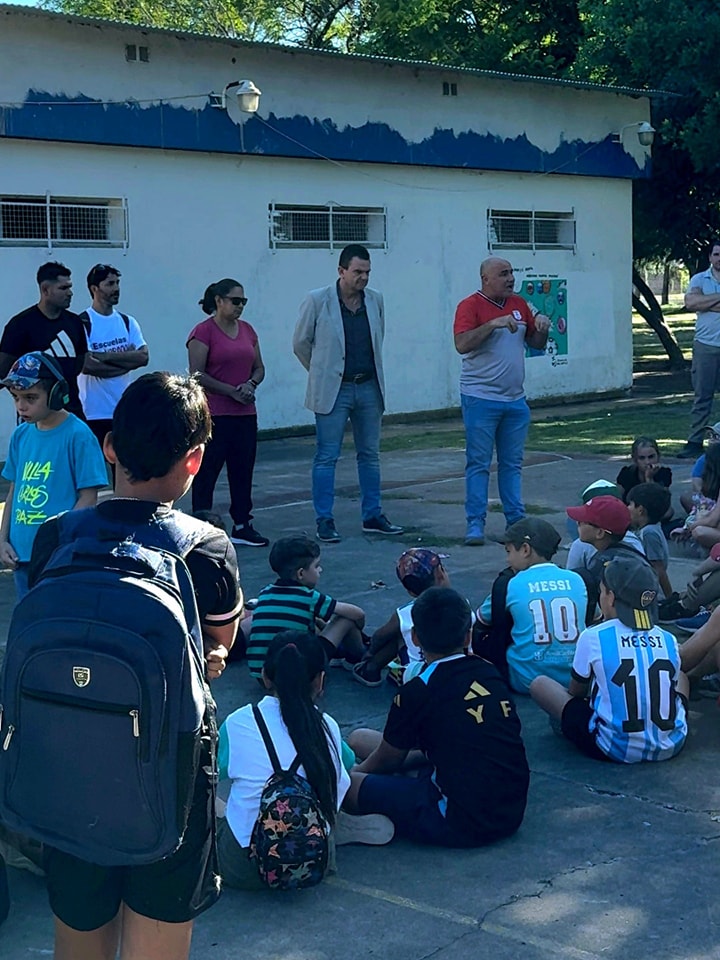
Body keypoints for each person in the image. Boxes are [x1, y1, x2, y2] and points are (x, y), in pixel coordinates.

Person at [26, 371, 243, 960]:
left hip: (66, 767)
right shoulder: (206, 547)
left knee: (78, 939)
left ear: (109, 446)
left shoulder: (55, 537)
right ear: (194, 460)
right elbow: (218, 646)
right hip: (166, 776)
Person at [343, 587, 530, 847]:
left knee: (348, 784)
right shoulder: (490, 672)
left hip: (457, 819)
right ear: (468, 636)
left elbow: (388, 759)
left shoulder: (417, 690)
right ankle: (396, 788)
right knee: (359, 738)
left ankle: (354, 813)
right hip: (511, 812)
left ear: (415, 637)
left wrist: (353, 773)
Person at [217, 630, 393, 890]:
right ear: (320, 681)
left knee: (214, 804)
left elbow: (214, 773)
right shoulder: (327, 726)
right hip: (315, 861)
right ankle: (331, 830)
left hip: (244, 867)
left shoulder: (238, 722)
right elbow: (345, 772)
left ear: (265, 676)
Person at [530, 555, 688, 763]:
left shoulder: (593, 636)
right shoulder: (668, 639)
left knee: (540, 685)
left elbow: (577, 692)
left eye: (602, 591)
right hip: (671, 745)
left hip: (613, 747)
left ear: (611, 597)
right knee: (681, 676)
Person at [293, 243, 403, 543]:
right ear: (341, 271)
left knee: (370, 455)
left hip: (368, 386)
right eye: (357, 272)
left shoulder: (375, 300)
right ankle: (324, 520)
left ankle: (373, 515)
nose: (363, 278)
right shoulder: (318, 300)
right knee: (327, 456)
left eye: (367, 272)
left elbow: (378, 337)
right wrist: (323, 373)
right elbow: (301, 343)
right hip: (335, 389)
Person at [453, 257, 550, 545]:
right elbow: (461, 344)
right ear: (485, 279)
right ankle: (475, 524)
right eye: (503, 274)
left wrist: (542, 329)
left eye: (511, 273)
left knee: (512, 464)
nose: (510, 279)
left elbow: (535, 343)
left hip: (515, 400)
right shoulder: (470, 305)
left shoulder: (519, 304)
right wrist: (492, 324)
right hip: (480, 398)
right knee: (479, 463)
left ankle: (515, 521)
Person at [0, 353, 107, 599]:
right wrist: (2, 540)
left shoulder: (78, 435)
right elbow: (14, 491)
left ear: (57, 393)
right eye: (15, 398)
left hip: (59, 557)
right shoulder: (20, 436)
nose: (21, 406)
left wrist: (60, 541)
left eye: (30, 398)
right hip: (21, 556)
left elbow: (88, 498)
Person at [188, 278, 268, 547]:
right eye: (235, 301)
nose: (240, 306)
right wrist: (230, 391)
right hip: (214, 415)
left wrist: (250, 384)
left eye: (243, 301)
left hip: (245, 414)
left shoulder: (247, 330)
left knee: (242, 470)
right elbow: (197, 374)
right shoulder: (203, 332)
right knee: (207, 471)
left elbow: (259, 367)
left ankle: (242, 524)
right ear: (219, 301)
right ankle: (200, 525)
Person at [475, 518, 589, 693]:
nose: (507, 559)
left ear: (525, 549)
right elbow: (594, 617)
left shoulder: (511, 584)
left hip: (524, 680)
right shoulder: (577, 580)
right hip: (575, 679)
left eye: (509, 551)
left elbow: (482, 619)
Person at [246, 536, 367, 679]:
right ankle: (358, 659)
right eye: (316, 566)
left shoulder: (265, 593)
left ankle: (341, 652)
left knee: (309, 620)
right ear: (301, 573)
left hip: (262, 675)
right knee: (346, 620)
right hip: (301, 676)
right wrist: (358, 628)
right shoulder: (309, 597)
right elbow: (358, 614)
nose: (320, 570)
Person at [352, 547, 450, 687]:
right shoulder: (462, 606)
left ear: (410, 592)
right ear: (441, 574)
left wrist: (370, 652)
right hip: (456, 673)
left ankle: (371, 669)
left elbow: (380, 636)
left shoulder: (407, 612)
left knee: (401, 635)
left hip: (417, 678)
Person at [0, 262, 87, 417]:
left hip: (72, 411)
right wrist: (27, 398)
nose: (70, 293)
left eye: (70, 287)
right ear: (45, 290)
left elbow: (78, 364)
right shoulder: (20, 325)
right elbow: (4, 371)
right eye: (63, 288)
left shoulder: (75, 323)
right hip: (36, 418)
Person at [77, 263, 149, 451]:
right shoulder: (82, 323)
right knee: (95, 465)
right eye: (110, 284)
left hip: (123, 410)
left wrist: (104, 355)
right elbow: (89, 366)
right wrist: (126, 363)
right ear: (94, 288)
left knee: (123, 464)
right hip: (93, 413)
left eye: (117, 283)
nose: (116, 288)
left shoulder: (127, 322)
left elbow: (143, 357)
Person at [565, 495, 652, 616]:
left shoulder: (603, 565)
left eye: (583, 521)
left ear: (600, 533)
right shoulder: (631, 551)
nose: (577, 522)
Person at [678, 239, 720, 458]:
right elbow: (691, 303)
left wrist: (706, 302)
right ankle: (694, 442)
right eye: (717, 254)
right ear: (710, 257)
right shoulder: (699, 279)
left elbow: (699, 303)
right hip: (705, 346)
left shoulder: (702, 287)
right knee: (702, 396)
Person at [627, 482, 673, 597]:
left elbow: (658, 567)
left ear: (640, 510)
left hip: (651, 592)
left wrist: (669, 597)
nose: (627, 508)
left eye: (630, 504)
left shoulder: (649, 533)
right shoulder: (650, 528)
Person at [615, 437, 672, 503]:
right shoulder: (627, 473)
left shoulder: (664, 473)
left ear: (658, 456)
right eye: (642, 458)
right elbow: (617, 498)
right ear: (635, 459)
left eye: (651, 457)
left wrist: (649, 478)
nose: (647, 462)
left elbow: (660, 502)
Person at [681, 421, 720, 513]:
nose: (711, 440)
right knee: (686, 497)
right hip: (709, 498)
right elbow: (697, 485)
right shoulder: (704, 459)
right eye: (710, 435)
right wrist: (706, 501)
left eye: (716, 436)